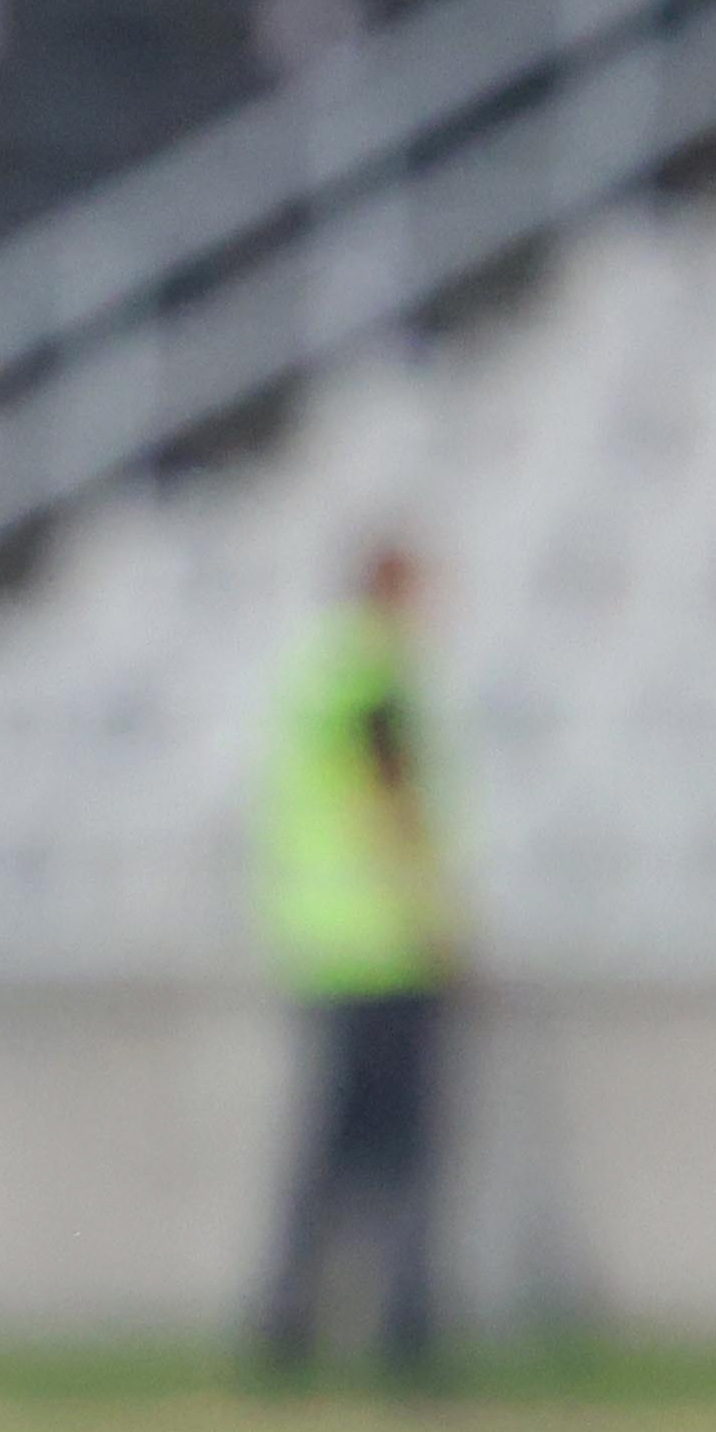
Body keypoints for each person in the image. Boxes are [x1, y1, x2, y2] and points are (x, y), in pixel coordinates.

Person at [253, 540, 463, 1389]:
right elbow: (391, 803)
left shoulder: (316, 672)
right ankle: (402, 1342)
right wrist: (436, 923)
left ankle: (284, 1334)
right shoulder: (376, 679)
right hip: (384, 952)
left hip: (322, 949)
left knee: (324, 1160)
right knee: (401, 1160)